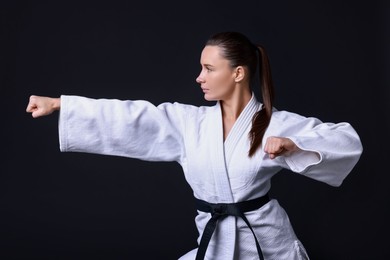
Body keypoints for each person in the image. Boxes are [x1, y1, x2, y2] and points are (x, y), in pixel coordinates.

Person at [26, 31, 363, 260]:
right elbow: (134, 117)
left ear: (238, 73)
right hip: (213, 244)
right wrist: (60, 104)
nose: (199, 77)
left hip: (267, 245)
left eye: (208, 68)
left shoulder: (275, 123)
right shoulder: (190, 123)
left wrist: (294, 145)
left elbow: (345, 141)